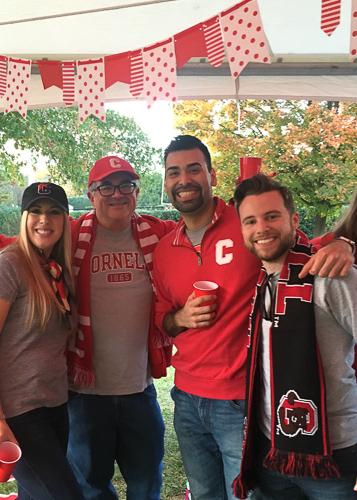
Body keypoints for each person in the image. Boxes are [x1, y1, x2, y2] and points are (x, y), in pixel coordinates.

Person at [152, 134, 355, 500]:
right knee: (203, 492)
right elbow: (161, 319)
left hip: (243, 399)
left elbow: (303, 251)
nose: (184, 179)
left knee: (245, 495)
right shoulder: (166, 247)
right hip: (186, 398)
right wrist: (179, 317)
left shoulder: (247, 220)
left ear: (212, 174)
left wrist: (346, 243)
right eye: (174, 172)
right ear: (165, 181)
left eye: (194, 169)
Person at [233, 173, 357, 500]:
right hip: (270, 450)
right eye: (250, 220)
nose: (262, 227)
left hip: (334, 455)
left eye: (272, 216)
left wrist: (344, 245)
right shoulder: (262, 282)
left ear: (294, 219)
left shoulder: (329, 276)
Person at [66, 155, 175, 500]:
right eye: (106, 187)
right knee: (90, 489)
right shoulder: (69, 236)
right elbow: (17, 245)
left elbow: (212, 228)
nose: (117, 194)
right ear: (90, 194)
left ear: (137, 191)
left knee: (146, 485)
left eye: (125, 185)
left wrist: (339, 242)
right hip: (84, 395)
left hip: (138, 390)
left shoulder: (158, 234)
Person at [0, 182, 85, 500]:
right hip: (18, 413)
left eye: (53, 212)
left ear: (65, 220)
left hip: (54, 406)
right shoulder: (10, 265)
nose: (43, 220)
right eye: (35, 211)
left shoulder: (57, 271)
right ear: (23, 218)